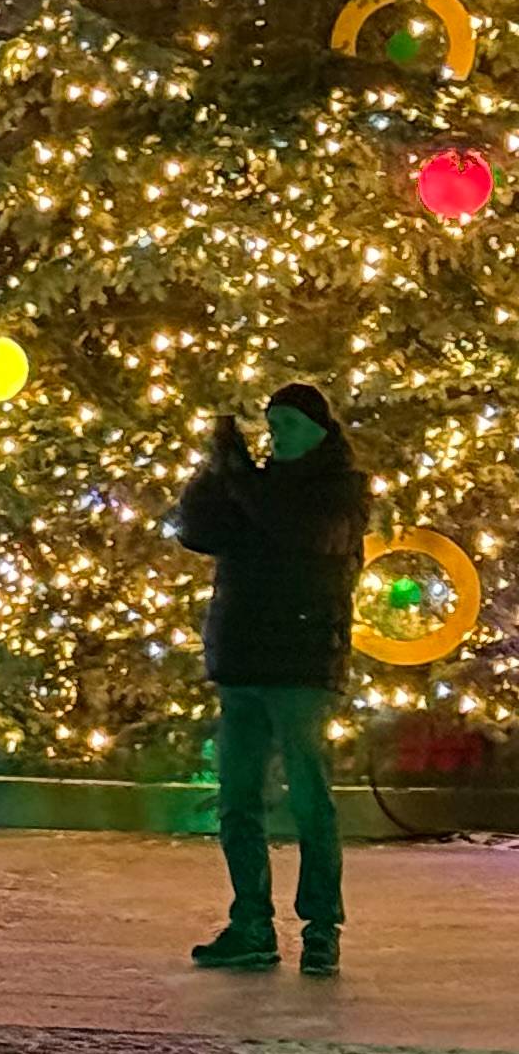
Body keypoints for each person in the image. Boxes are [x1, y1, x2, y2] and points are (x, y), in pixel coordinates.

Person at [173, 384, 367, 977]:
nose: (277, 433)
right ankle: (251, 923)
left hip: (301, 665)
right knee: (238, 801)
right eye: (272, 422)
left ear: (318, 431)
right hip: (242, 661)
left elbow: (301, 532)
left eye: (288, 422)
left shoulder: (339, 491)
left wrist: (240, 480)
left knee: (309, 800)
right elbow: (195, 530)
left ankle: (320, 926)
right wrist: (215, 472)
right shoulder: (252, 487)